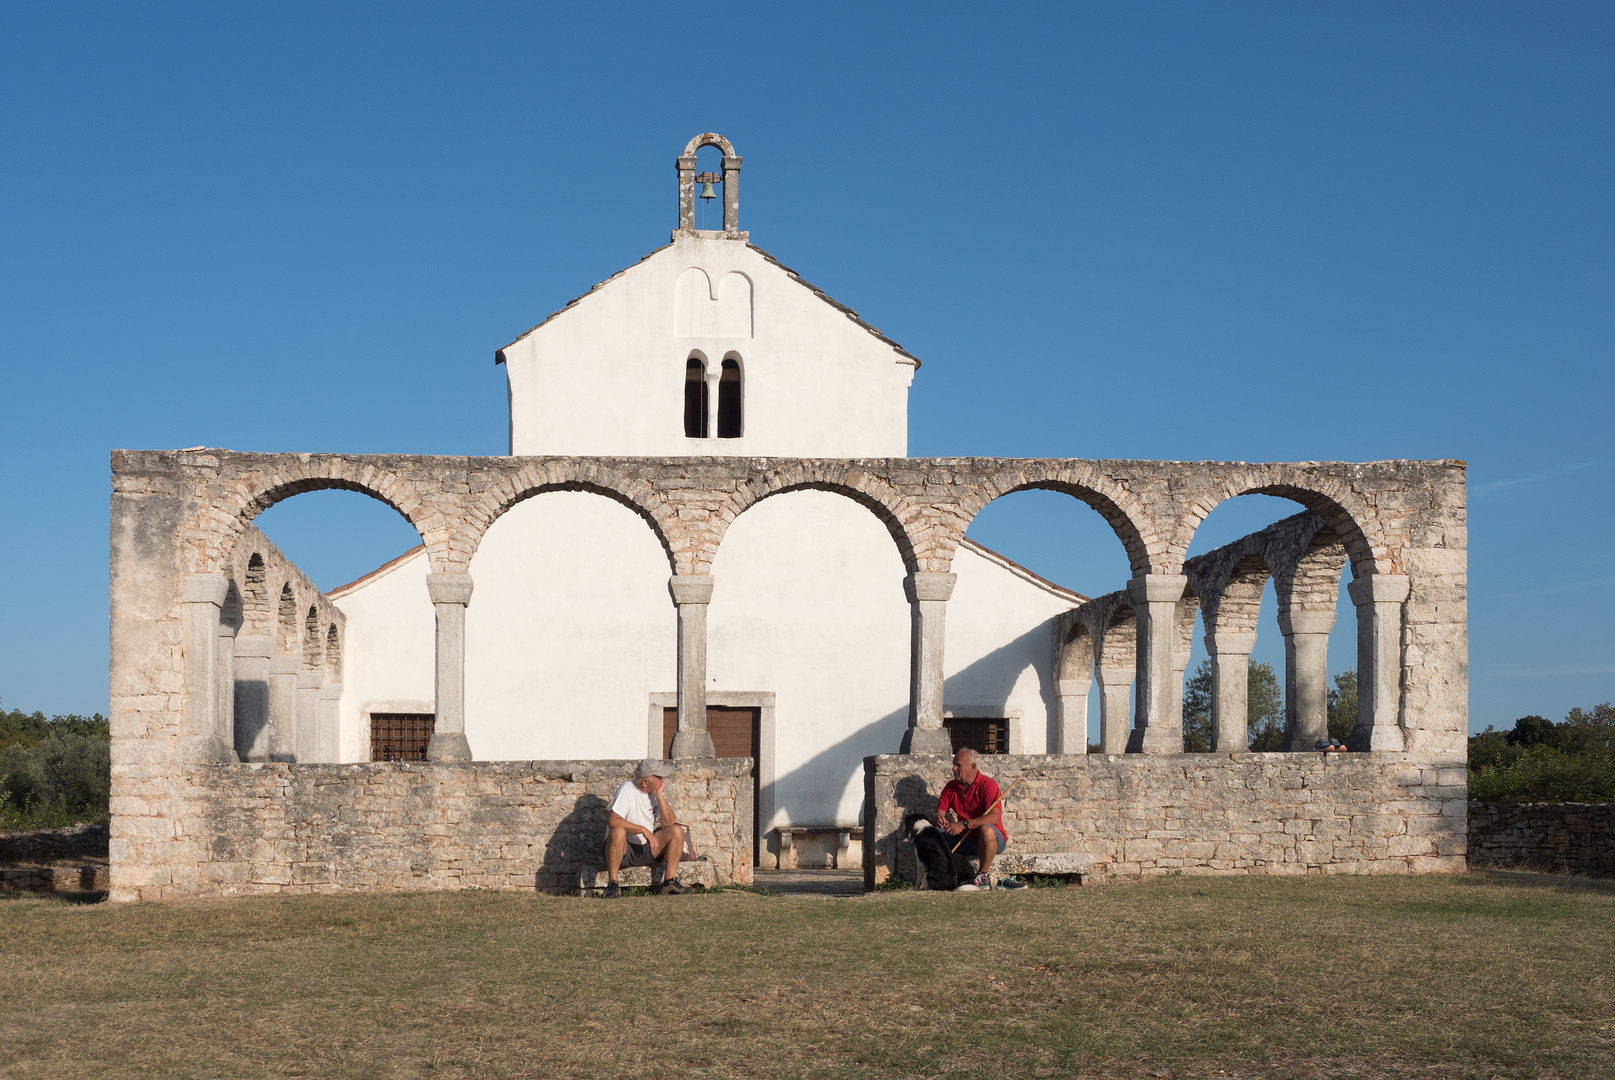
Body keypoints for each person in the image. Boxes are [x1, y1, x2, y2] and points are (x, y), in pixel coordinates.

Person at [602, 758, 688, 897]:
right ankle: (613, 884)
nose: (662, 780)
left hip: (647, 848)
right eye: (658, 777)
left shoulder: (653, 792)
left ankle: (669, 883)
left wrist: (659, 795)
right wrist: (643, 830)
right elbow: (613, 821)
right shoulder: (627, 789)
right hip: (624, 850)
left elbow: (669, 822)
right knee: (617, 831)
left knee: (677, 831)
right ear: (645, 782)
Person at [934, 747, 1015, 889]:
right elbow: (937, 813)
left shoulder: (988, 784)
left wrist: (964, 824)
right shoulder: (950, 787)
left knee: (986, 829)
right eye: (954, 765)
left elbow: (994, 818)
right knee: (932, 833)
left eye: (958, 765)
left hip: (990, 841)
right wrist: (937, 818)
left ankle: (982, 876)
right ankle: (935, 875)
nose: (953, 769)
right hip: (966, 840)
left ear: (972, 767)